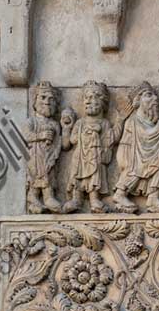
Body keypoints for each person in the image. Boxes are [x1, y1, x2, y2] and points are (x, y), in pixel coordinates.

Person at [61, 81, 122, 213]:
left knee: (95, 177)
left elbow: (112, 139)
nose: (89, 101)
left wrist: (120, 121)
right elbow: (72, 140)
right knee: (77, 177)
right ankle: (76, 199)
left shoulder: (105, 123)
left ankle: (94, 200)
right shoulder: (80, 122)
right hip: (80, 158)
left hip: (96, 157)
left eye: (94, 97)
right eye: (87, 98)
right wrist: (67, 128)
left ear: (103, 104)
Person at [114, 81, 159, 212]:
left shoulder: (152, 123)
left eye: (155, 96)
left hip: (151, 156)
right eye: (148, 95)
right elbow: (147, 135)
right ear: (138, 100)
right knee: (134, 169)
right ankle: (120, 194)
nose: (155, 99)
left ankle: (153, 197)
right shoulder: (132, 121)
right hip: (135, 158)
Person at [25, 81, 62, 214]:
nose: (47, 101)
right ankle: (33, 197)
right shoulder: (31, 121)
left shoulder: (55, 124)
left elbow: (60, 142)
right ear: (35, 100)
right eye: (43, 97)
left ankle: (48, 197)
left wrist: (67, 128)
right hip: (35, 156)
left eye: (51, 99)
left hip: (49, 156)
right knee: (37, 176)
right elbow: (25, 136)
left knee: (50, 175)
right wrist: (41, 135)